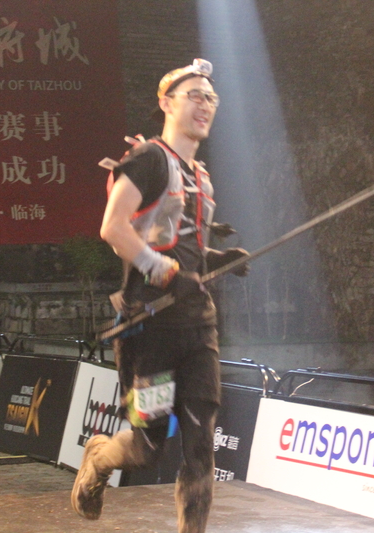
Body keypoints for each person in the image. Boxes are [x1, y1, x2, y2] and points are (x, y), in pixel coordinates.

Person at [71, 59, 249, 533]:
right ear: (166, 103)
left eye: (211, 98)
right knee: (147, 447)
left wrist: (216, 257)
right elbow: (114, 228)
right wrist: (163, 271)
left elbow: (182, 245)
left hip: (199, 329)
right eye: (195, 96)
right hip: (151, 330)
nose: (205, 105)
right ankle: (98, 458)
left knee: (201, 445)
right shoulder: (149, 159)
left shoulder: (201, 177)